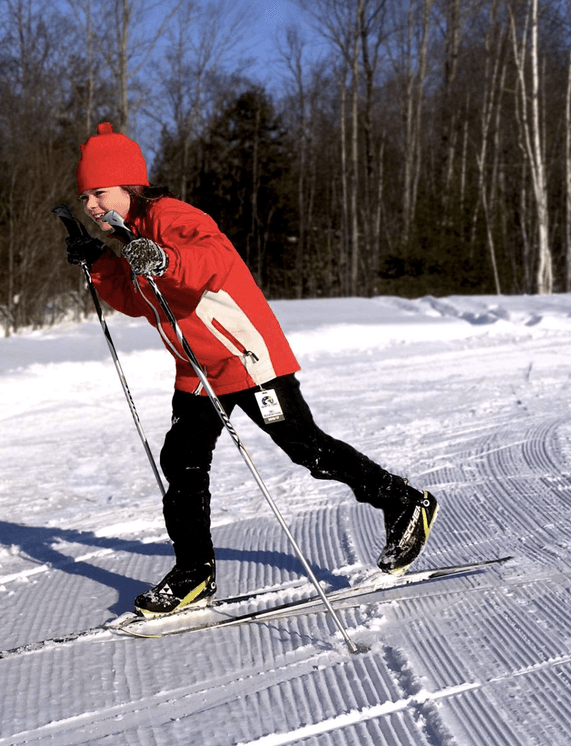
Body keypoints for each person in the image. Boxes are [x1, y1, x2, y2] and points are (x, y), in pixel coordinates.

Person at [64, 122, 438, 618]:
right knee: (182, 465)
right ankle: (194, 572)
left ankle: (403, 501)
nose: (91, 205)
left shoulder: (172, 218)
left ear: (131, 186)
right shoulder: (133, 237)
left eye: (100, 192)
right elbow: (138, 301)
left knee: (309, 450)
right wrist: (102, 265)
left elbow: (208, 257)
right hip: (196, 370)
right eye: (85, 195)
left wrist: (161, 258)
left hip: (246, 358)